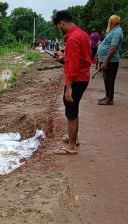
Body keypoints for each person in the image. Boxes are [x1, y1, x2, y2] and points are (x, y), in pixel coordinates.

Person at [53, 10, 91, 154]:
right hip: (82, 77)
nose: (59, 29)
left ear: (62, 23)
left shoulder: (73, 38)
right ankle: (73, 138)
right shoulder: (82, 34)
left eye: (58, 26)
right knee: (73, 110)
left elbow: (74, 66)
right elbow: (78, 58)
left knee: (71, 112)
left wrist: (69, 87)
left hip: (76, 79)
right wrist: (64, 56)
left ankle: (71, 146)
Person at [97, 15, 123, 105]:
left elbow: (113, 48)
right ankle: (107, 96)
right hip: (109, 60)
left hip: (111, 61)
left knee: (109, 80)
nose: (109, 24)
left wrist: (105, 61)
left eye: (110, 22)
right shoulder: (115, 31)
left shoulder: (117, 32)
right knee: (106, 79)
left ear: (112, 23)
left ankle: (110, 99)